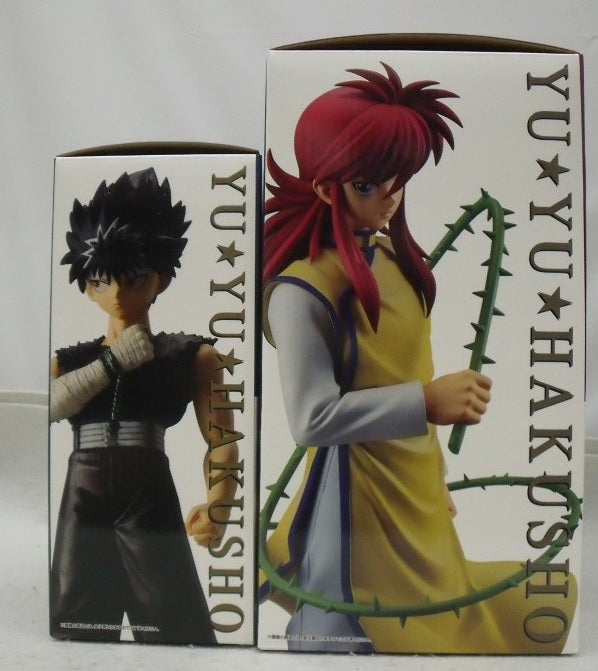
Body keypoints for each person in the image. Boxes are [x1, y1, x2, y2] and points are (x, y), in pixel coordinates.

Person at [259, 63, 576, 653]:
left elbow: (405, 371)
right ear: (326, 188)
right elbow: (311, 419)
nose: (389, 197)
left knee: (521, 607)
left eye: (398, 180)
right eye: (367, 185)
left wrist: (431, 480)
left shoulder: (396, 263)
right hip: (356, 505)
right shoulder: (302, 291)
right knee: (370, 624)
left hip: (415, 492)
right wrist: (426, 403)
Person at [50, 167, 237, 644]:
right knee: (75, 632)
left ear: (162, 279)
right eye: (100, 280)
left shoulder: (190, 357)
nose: (116, 294)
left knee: (177, 630)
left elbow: (221, 440)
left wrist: (220, 503)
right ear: (86, 284)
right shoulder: (68, 363)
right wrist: (107, 366)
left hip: (147, 494)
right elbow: (44, 410)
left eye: (133, 279)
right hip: (82, 496)